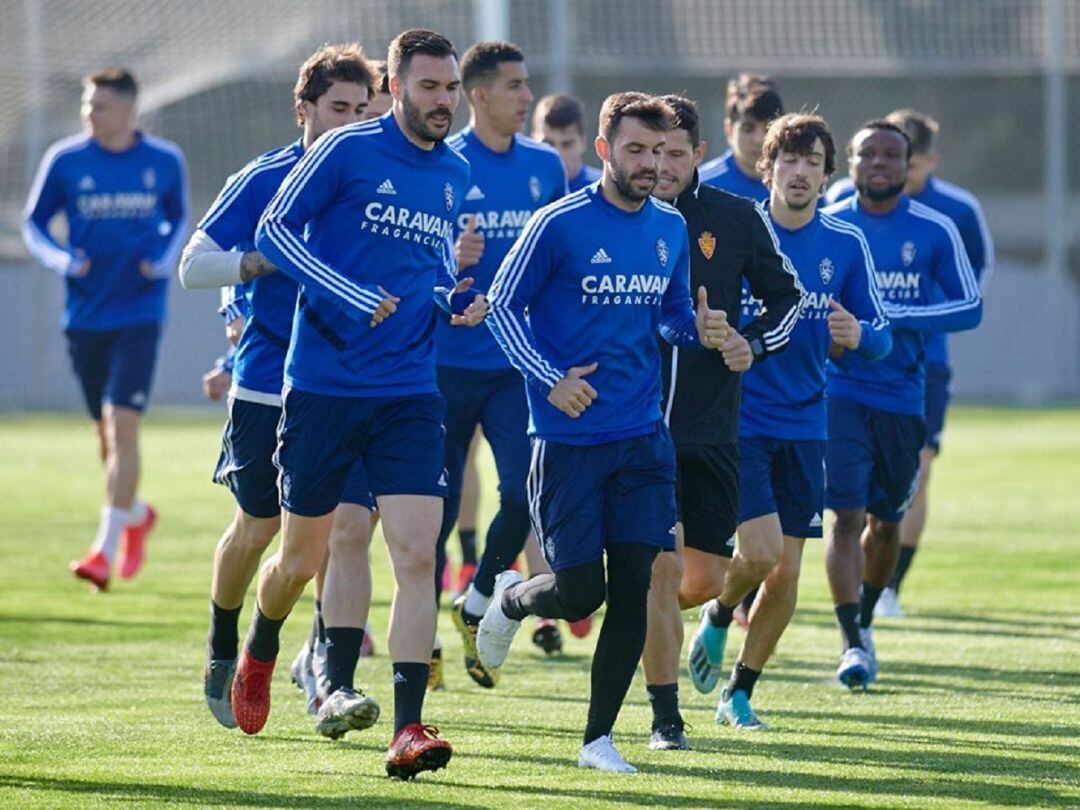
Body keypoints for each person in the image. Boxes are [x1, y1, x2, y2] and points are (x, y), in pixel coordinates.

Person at [244, 28, 487, 779]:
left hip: (409, 391)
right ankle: (261, 646)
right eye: (429, 87)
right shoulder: (345, 150)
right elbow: (273, 232)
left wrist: (452, 300)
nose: (443, 101)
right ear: (396, 87)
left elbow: (427, 271)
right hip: (324, 386)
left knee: (416, 553)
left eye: (450, 88)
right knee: (301, 557)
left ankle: (409, 727)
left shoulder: (454, 172)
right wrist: (349, 293)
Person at [477, 92, 732, 773]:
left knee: (636, 584)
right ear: (604, 150)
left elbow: (670, 315)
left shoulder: (670, 227)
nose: (651, 163)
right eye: (636, 150)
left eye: (661, 151)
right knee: (580, 592)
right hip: (567, 441)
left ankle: (598, 740)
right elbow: (502, 309)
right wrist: (551, 379)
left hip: (643, 437)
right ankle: (512, 597)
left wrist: (698, 329)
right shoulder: (557, 224)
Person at [178, 44, 379, 733]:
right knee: (259, 527)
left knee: (340, 535)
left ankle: (317, 671)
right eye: (337, 108)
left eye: (361, 109)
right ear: (304, 109)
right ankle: (222, 644)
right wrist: (259, 261)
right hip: (269, 385)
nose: (351, 121)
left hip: (352, 388)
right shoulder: (265, 178)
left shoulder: (382, 181)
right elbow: (194, 265)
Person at [714, 113, 890, 728]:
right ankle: (718, 611)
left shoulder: (846, 242)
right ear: (767, 168)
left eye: (813, 162)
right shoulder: (737, 232)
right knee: (761, 553)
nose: (800, 172)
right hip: (739, 420)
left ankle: (739, 692)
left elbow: (883, 335)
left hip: (807, 425)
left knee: (786, 570)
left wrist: (860, 334)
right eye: (789, 159)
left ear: (826, 175)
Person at [642, 95, 804, 750]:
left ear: (699, 154)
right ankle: (665, 719)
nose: (663, 165)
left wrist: (749, 344)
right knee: (657, 573)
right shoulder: (617, 217)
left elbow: (788, 298)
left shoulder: (734, 217)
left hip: (713, 431)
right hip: (634, 430)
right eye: (653, 152)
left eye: (676, 153)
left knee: (707, 580)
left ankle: (594, 601)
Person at [822, 120, 982, 688]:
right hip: (840, 391)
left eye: (892, 155)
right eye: (868, 154)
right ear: (851, 162)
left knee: (886, 523)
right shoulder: (831, 222)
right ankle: (850, 640)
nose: (879, 163)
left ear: (909, 165)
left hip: (904, 395)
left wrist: (898, 316)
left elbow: (969, 306)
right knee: (845, 517)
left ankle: (866, 618)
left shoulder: (935, 229)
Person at [23, 67, 187, 591]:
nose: (89, 114)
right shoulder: (66, 159)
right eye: (87, 105)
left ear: (129, 109)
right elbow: (34, 223)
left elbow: (179, 219)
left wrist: (163, 259)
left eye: (100, 106)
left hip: (139, 314)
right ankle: (135, 514)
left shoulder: (164, 160)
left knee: (122, 428)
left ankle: (103, 551)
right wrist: (62, 259)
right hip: (84, 318)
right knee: (106, 436)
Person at [438, 41, 567, 689]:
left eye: (527, 83)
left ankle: (479, 597)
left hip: (516, 365)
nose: (526, 96)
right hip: (442, 366)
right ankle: (421, 652)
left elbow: (564, 256)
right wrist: (452, 258)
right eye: (514, 86)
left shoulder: (545, 166)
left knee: (523, 495)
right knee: (430, 511)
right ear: (479, 94)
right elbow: (410, 259)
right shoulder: (443, 162)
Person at [878, 110, 994, 617]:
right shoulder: (846, 200)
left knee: (917, 470)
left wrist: (921, 315)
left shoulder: (957, 210)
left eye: (912, 161)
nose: (900, 169)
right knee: (852, 477)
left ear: (929, 159)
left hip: (926, 363)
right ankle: (858, 578)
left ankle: (889, 587)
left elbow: (976, 279)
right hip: (855, 365)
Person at [698, 74, 781, 203]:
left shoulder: (796, 187)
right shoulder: (701, 186)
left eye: (767, 128)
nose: (759, 139)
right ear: (729, 129)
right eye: (748, 128)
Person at [532, 93, 602, 192]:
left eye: (566, 144)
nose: (557, 154)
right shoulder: (519, 186)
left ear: (583, 142)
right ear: (533, 141)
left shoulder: (605, 191)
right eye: (548, 144)